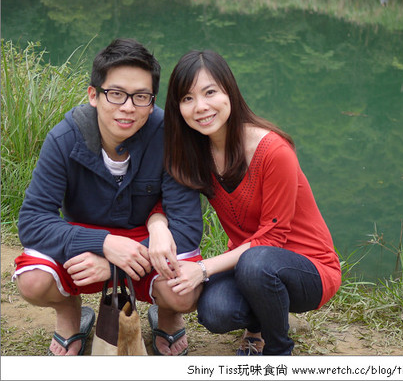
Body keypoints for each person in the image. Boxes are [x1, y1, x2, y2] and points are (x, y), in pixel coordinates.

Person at [12, 38, 204, 356]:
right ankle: (69, 315)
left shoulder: (170, 136)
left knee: (183, 290)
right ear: (93, 95)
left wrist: (117, 267)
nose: (128, 107)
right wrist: (104, 245)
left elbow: (185, 230)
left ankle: (169, 316)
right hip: (86, 240)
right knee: (33, 281)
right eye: (115, 94)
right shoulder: (63, 138)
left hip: (145, 241)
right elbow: (33, 222)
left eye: (141, 97)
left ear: (153, 99)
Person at [159, 50, 342, 356]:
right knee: (214, 311)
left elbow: (272, 238)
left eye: (210, 92)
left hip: (309, 268)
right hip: (249, 264)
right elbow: (163, 198)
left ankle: (278, 349)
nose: (201, 107)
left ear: (229, 91)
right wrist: (158, 224)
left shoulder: (272, 150)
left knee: (256, 264)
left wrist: (202, 269)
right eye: (187, 98)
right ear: (178, 108)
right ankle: (261, 320)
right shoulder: (195, 154)